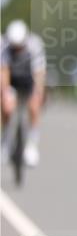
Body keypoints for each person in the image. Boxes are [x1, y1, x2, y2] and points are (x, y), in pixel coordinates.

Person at [1, 20, 47, 166]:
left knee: (34, 106)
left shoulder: (35, 45)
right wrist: (6, 92)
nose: (17, 50)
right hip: (12, 80)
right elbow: (3, 71)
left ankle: (32, 145)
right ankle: (6, 142)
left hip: (29, 80)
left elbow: (39, 72)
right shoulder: (4, 46)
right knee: (6, 108)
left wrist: (37, 93)